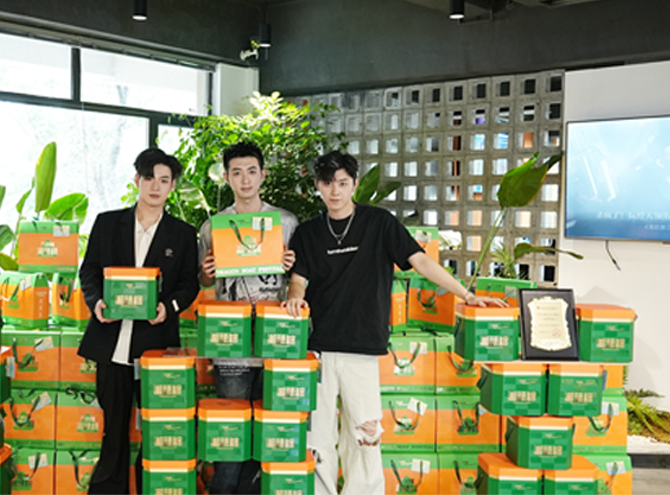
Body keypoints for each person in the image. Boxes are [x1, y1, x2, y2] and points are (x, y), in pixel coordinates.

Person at [283, 151, 506, 495]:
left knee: (366, 434)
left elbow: (421, 261)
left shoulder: (379, 223)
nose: (335, 191)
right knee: (318, 438)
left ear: (354, 184)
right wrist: (295, 296)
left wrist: (467, 294)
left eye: (342, 182)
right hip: (318, 350)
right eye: (327, 183)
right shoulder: (308, 232)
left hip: (362, 347)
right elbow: (299, 278)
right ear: (318, 186)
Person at [78, 147, 200, 495]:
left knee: (157, 430)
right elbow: (89, 271)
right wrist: (97, 302)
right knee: (113, 431)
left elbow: (189, 284)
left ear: (172, 186)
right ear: (137, 180)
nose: (155, 186)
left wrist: (168, 306)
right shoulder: (107, 223)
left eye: (164, 180)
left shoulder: (183, 233)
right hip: (111, 344)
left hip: (157, 347)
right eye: (149, 178)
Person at [198, 141, 298, 495]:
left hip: (277, 343)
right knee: (230, 434)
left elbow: (300, 279)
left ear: (263, 175)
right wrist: (207, 272)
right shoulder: (213, 227)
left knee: (270, 432)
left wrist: (291, 265)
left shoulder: (285, 222)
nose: (245, 180)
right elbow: (205, 281)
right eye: (237, 172)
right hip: (230, 346)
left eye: (251, 171)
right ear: (226, 178)